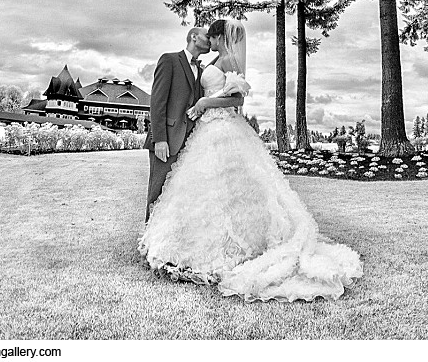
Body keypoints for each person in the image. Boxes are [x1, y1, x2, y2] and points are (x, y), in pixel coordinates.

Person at [139, 19, 363, 302]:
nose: (208, 40)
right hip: (192, 132)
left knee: (226, 191)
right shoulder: (186, 61)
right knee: (179, 189)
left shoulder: (228, 59)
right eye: (204, 36)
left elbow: (236, 101)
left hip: (219, 129)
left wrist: (206, 103)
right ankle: (157, 242)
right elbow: (162, 100)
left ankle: (226, 245)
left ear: (219, 37)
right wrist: (166, 132)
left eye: (212, 35)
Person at [143, 26, 243, 222]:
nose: (210, 40)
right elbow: (157, 102)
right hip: (168, 139)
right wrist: (160, 139)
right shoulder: (169, 60)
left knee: (176, 194)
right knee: (158, 189)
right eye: (207, 36)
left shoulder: (204, 69)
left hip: (192, 141)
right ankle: (149, 237)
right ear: (193, 37)